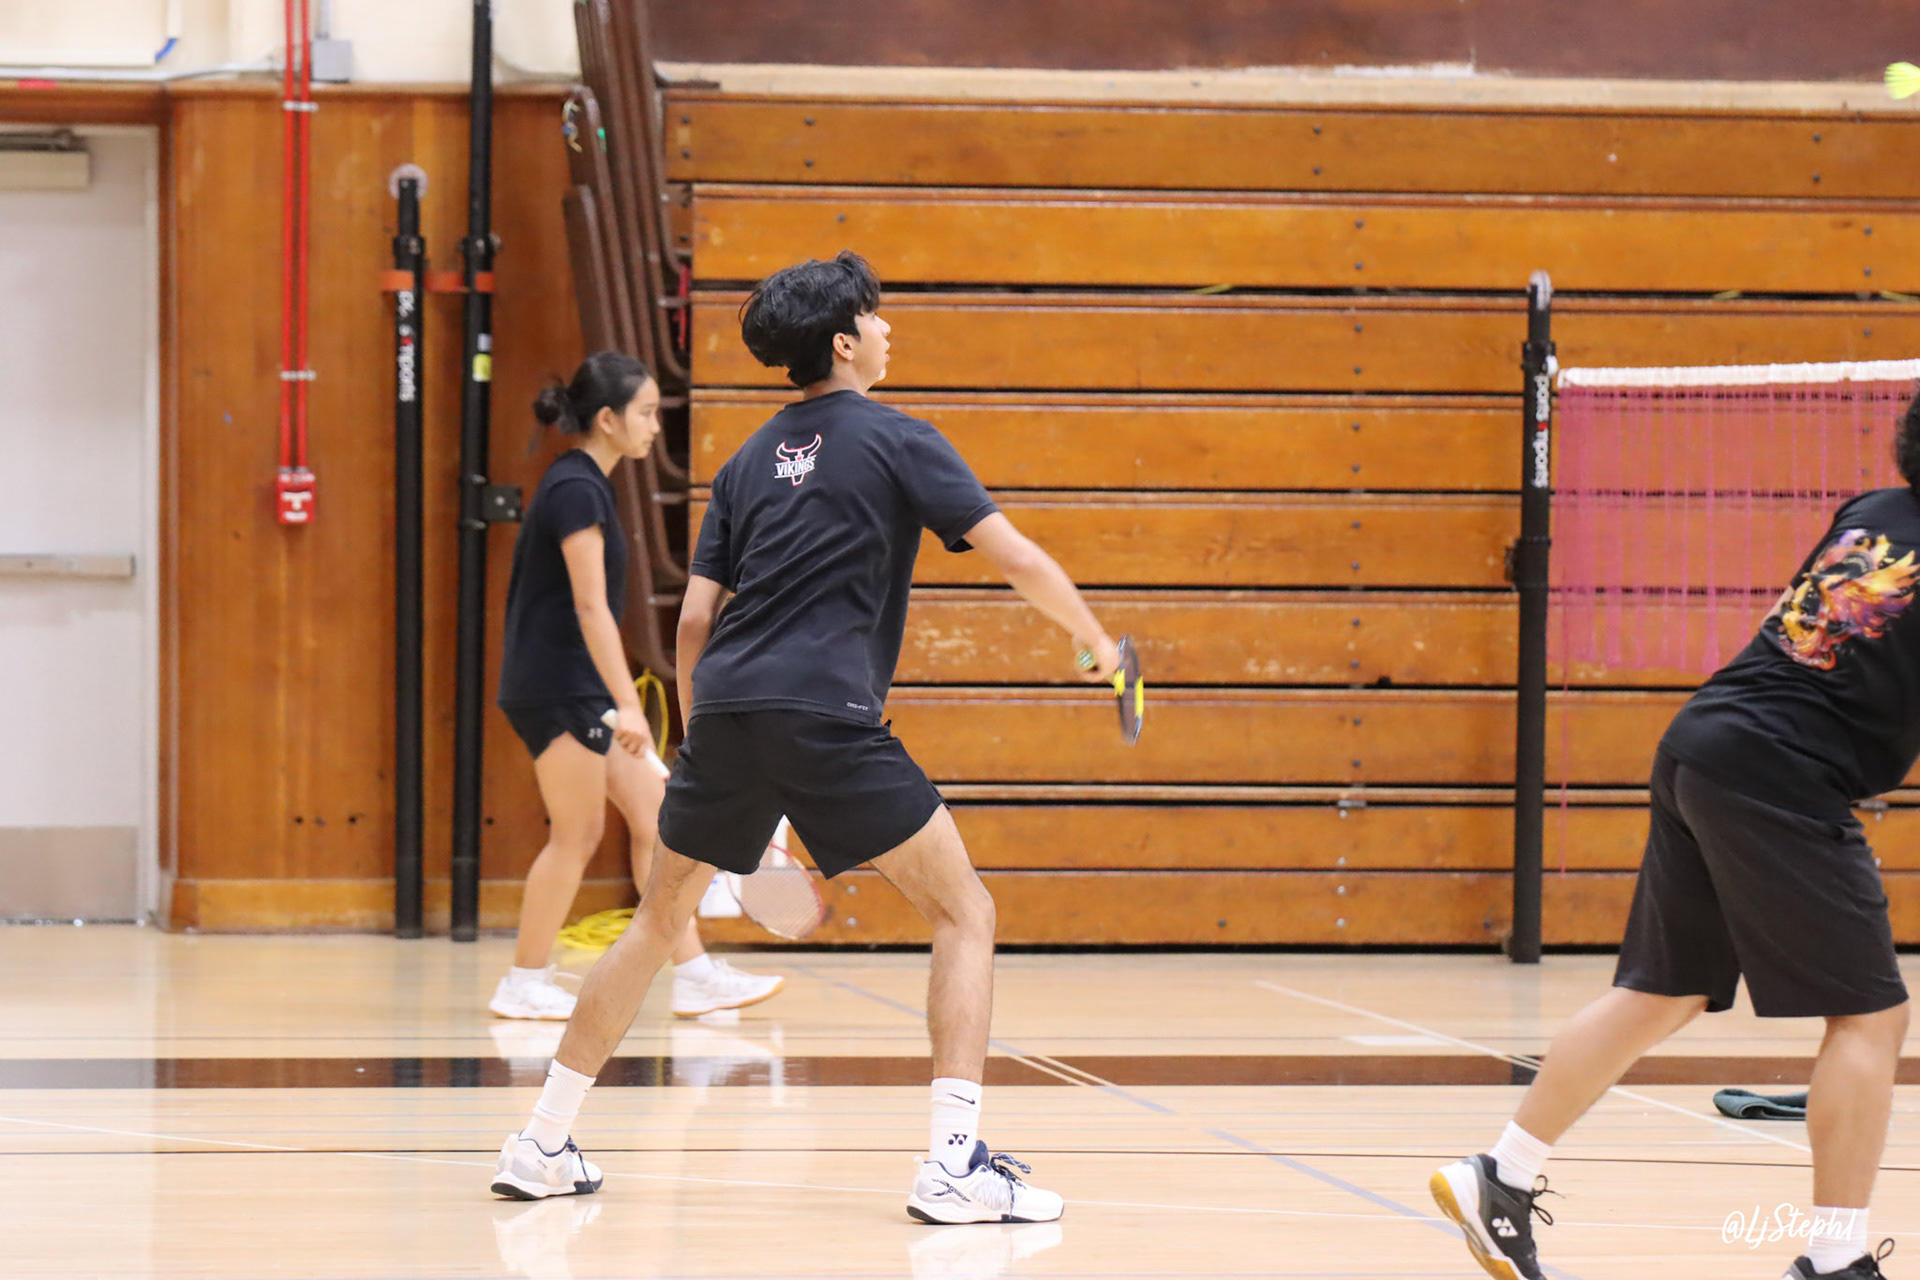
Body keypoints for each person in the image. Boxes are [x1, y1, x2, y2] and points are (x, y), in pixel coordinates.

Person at [489, 252, 1123, 1221]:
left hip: (727, 709)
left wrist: (703, 744)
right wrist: (1097, 643)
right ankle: (954, 1165)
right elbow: (1019, 559)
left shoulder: (745, 462)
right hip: (827, 712)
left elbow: (692, 624)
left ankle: (540, 1141)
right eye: (876, 316)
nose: (888, 329)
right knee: (965, 912)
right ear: (844, 342)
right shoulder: (902, 439)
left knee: (656, 923)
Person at [1431, 398, 1920, 1280]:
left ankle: (1501, 1174)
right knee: (1872, 1015)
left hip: (1705, 742)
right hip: (1782, 773)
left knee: (1667, 990)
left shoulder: (1873, 511)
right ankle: (1836, 1259)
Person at [489, 351, 783, 1023]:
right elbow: (590, 607)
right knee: (577, 833)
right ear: (607, 419)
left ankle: (695, 975)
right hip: (558, 689)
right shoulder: (575, 490)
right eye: (646, 413)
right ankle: (523, 981)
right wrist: (625, 702)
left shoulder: (589, 486)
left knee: (658, 821)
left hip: (580, 687)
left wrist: (615, 697)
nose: (654, 426)